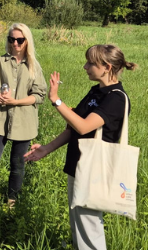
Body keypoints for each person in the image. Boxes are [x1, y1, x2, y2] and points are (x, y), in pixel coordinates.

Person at [24, 44, 138, 250]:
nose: (85, 67)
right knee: (78, 222)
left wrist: (56, 100)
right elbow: (73, 127)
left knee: (89, 226)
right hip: (78, 165)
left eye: (90, 63)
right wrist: (47, 149)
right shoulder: (96, 92)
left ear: (106, 67)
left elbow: (84, 127)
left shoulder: (116, 99)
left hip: (94, 169)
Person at [0, 23, 46, 208]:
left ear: (26, 41)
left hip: (24, 121)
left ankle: (11, 202)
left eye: (19, 40)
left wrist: (16, 102)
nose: (15, 43)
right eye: (11, 39)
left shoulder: (34, 66)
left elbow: (39, 96)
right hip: (0, 120)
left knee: (17, 164)